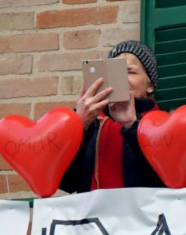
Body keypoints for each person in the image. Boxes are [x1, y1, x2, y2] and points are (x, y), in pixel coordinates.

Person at [59, 40, 163, 193]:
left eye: (131, 72)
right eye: (116, 72)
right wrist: (79, 127)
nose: (122, 79)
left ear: (150, 85)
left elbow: (163, 180)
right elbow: (66, 183)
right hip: (94, 216)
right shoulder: (92, 123)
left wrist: (132, 126)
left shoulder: (161, 124)